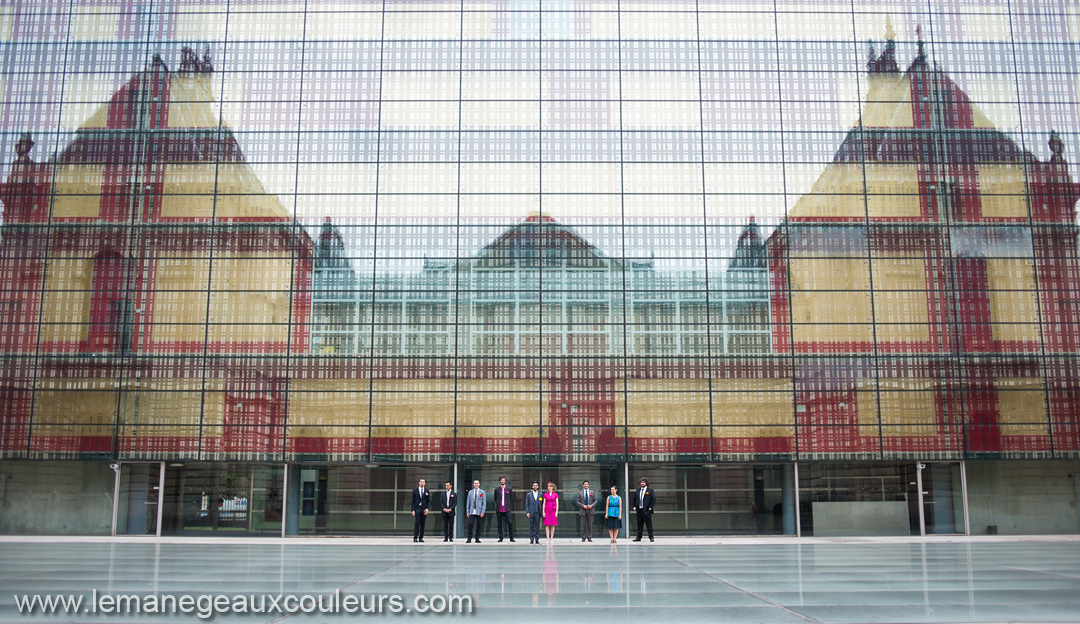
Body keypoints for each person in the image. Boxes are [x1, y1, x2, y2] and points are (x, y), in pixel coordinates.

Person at [632, 477, 655, 542]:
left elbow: (653, 500)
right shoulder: (638, 490)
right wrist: (634, 507)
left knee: (649, 524)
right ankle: (638, 537)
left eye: (644, 482)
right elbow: (634, 499)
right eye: (641, 482)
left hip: (647, 510)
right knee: (639, 524)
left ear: (646, 483)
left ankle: (651, 537)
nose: (642, 483)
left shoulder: (650, 491)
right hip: (639, 510)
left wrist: (650, 507)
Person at [493, 475, 515, 542]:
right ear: (499, 481)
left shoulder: (509, 489)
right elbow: (495, 499)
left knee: (510, 523)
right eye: (501, 480)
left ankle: (511, 537)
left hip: (507, 509)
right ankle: (501, 538)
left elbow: (511, 498)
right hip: (499, 509)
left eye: (503, 480)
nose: (502, 481)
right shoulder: (496, 490)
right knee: (499, 524)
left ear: (505, 481)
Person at [466, 479, 486, 543]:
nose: (476, 484)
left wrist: (482, 512)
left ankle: (477, 538)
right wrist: (467, 511)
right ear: (473, 484)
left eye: (477, 483)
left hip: (479, 511)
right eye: (475, 483)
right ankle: (469, 538)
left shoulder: (482, 492)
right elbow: (468, 502)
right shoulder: (470, 492)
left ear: (479, 484)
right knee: (470, 524)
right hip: (472, 511)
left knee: (479, 525)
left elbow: (484, 503)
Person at [411, 478, 431, 542]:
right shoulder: (415, 490)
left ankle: (421, 537)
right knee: (417, 522)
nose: (422, 483)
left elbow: (428, 501)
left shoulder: (426, 490)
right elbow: (412, 501)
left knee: (423, 523)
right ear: (419, 483)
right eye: (421, 482)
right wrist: (413, 510)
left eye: (423, 482)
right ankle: (415, 537)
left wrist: (427, 508)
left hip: (424, 509)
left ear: (425, 483)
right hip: (417, 508)